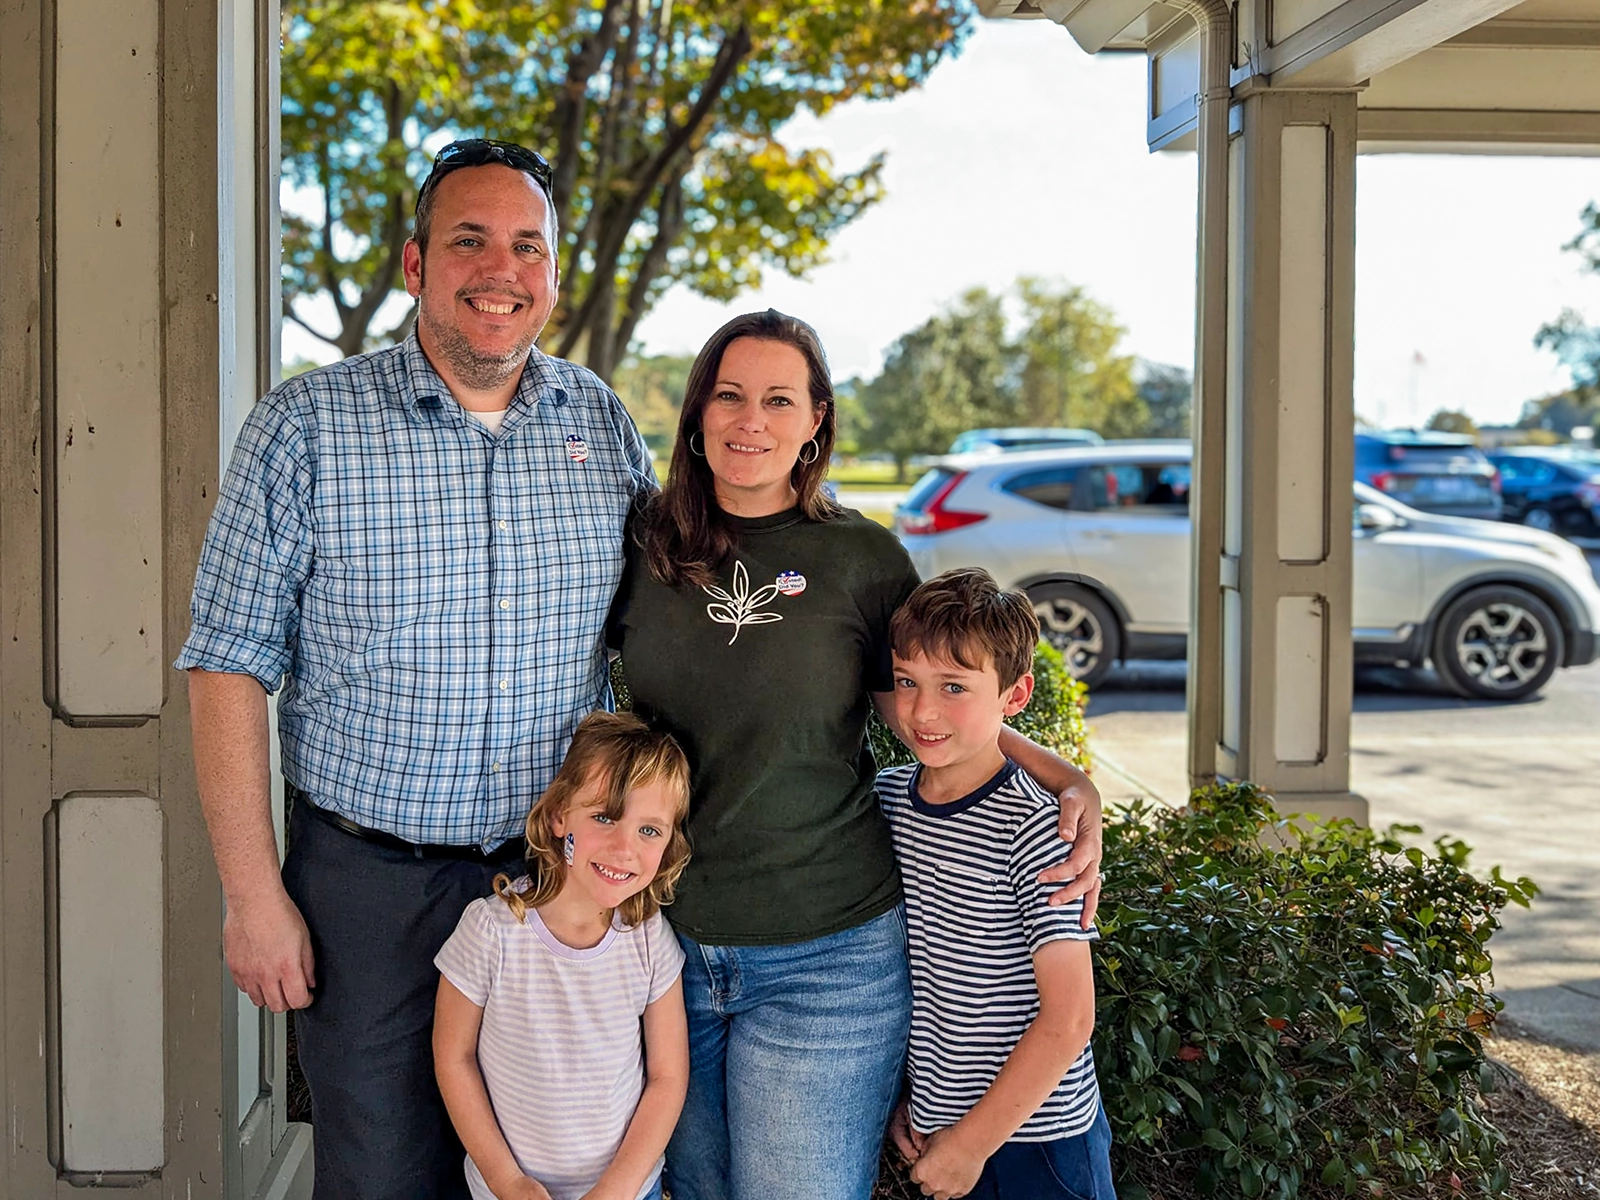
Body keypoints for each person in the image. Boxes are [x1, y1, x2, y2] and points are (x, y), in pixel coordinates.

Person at [175, 138, 653, 1198]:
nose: (501, 270)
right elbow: (225, 664)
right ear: (414, 264)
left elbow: (669, 637)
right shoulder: (304, 427)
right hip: (367, 885)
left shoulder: (601, 424)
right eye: (469, 240)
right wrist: (254, 897)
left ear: (554, 277)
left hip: (552, 879)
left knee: (549, 1166)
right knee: (382, 1170)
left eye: (527, 246)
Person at [605, 309, 1105, 1200]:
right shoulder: (642, 543)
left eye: (778, 399)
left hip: (828, 956)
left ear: (816, 423)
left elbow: (933, 710)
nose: (749, 420)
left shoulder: (864, 559)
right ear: (695, 415)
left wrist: (1065, 778)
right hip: (661, 947)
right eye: (728, 395)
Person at [879, 568, 1114, 1200]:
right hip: (940, 1130)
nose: (923, 710)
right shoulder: (888, 803)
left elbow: (1070, 1019)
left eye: (954, 687)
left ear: (1015, 696)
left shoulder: (1035, 828)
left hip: (1038, 1142)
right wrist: (919, 1101)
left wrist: (972, 1143)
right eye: (907, 682)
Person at [433, 712, 692, 1200]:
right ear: (558, 816)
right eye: (603, 817)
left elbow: (667, 1076)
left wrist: (615, 1189)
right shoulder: (492, 930)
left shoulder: (649, 939)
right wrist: (506, 1180)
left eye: (650, 831)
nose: (624, 849)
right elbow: (453, 1057)